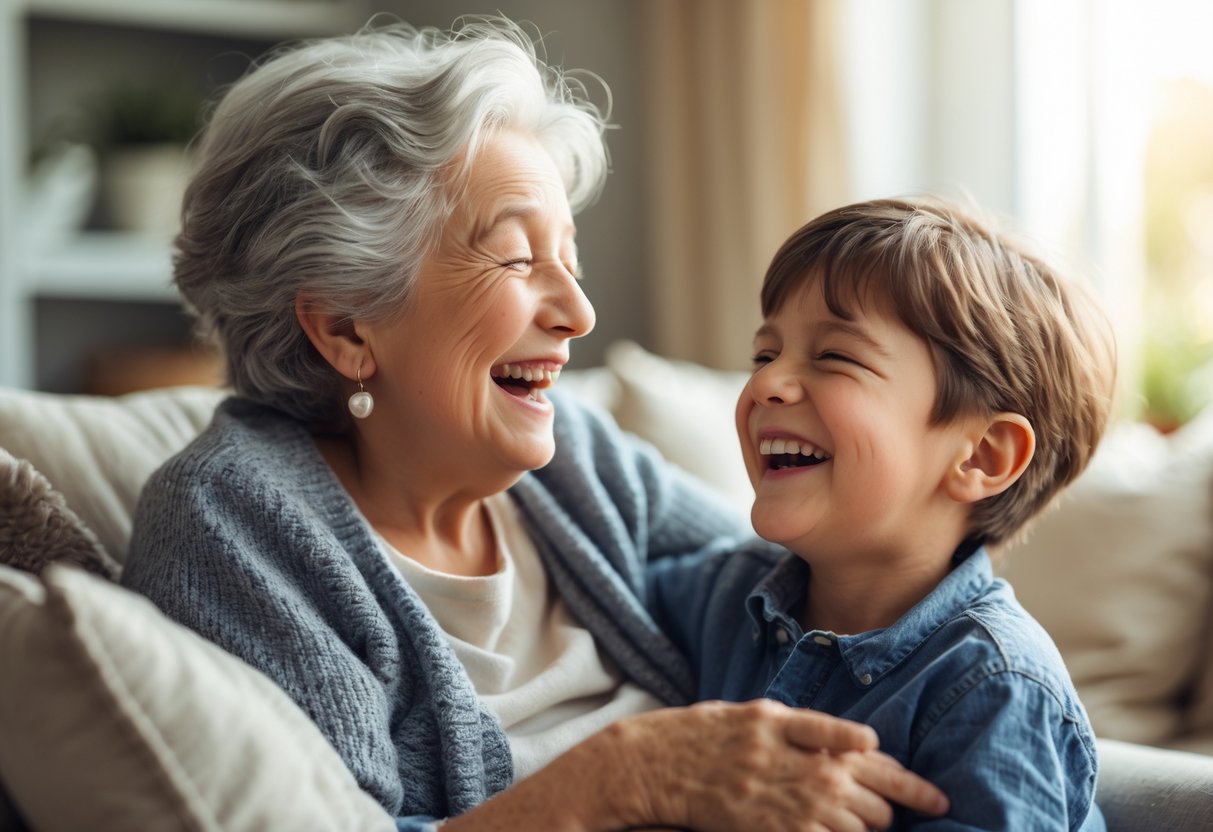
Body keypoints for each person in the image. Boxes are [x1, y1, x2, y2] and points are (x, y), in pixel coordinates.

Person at [119, 17, 950, 832]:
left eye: (571, 261)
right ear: (344, 328)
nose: (579, 313)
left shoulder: (577, 466)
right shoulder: (233, 525)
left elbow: (808, 598)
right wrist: (626, 777)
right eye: (518, 259)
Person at [648, 197, 1117, 830]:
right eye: (765, 355)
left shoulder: (996, 685)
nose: (765, 384)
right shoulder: (718, 595)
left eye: (835, 356)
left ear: (981, 454)